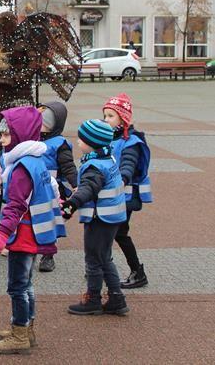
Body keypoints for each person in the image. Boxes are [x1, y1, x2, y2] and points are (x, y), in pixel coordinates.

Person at [0, 106, 64, 355]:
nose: (1, 139)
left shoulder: (20, 169)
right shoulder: (35, 160)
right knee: (27, 284)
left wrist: (1, 234)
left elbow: (15, 206)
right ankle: (25, 327)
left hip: (23, 235)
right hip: (34, 233)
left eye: (7, 134)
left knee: (17, 287)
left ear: (20, 135)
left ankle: (20, 332)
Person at [60, 120, 129, 316]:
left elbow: (88, 189)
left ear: (92, 143)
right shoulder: (108, 158)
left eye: (81, 138)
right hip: (112, 216)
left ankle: (93, 298)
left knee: (93, 258)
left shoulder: (94, 166)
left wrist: (72, 203)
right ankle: (116, 297)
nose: (78, 141)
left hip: (100, 218)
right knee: (104, 257)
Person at [103, 93, 152, 289]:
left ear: (123, 118)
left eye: (110, 116)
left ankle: (137, 271)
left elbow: (128, 166)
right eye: (105, 115)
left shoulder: (130, 142)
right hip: (113, 196)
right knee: (110, 231)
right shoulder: (110, 138)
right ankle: (102, 266)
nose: (106, 120)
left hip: (125, 196)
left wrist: (121, 180)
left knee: (118, 232)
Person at [37, 101, 77, 273]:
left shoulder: (60, 144)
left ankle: (48, 255)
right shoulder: (33, 139)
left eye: (45, 122)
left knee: (50, 221)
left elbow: (68, 166)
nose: (41, 125)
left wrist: (75, 185)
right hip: (34, 186)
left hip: (53, 190)